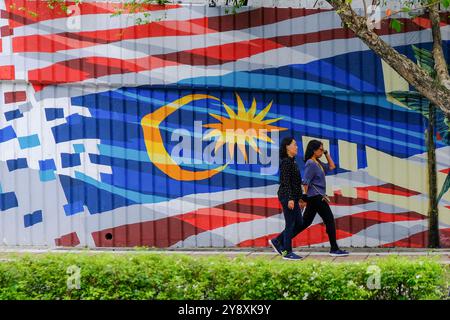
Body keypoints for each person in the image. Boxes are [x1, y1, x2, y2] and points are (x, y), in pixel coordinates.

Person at [299, 140, 349, 257]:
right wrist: (304, 198)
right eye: (320, 149)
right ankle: (334, 248)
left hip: (316, 197)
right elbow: (305, 182)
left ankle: (280, 240)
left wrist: (326, 153)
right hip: (316, 198)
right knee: (329, 220)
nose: (322, 151)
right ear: (314, 150)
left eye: (323, 149)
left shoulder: (318, 163)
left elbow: (332, 166)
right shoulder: (311, 163)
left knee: (304, 223)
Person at [268, 137, 307, 261]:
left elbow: (296, 183)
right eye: (294, 145)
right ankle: (287, 251)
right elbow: (285, 182)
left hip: (294, 197)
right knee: (290, 224)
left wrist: (300, 199)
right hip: (287, 196)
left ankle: (277, 241)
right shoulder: (285, 162)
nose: (297, 147)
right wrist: (290, 198)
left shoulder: (293, 161)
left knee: (299, 223)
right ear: (287, 147)